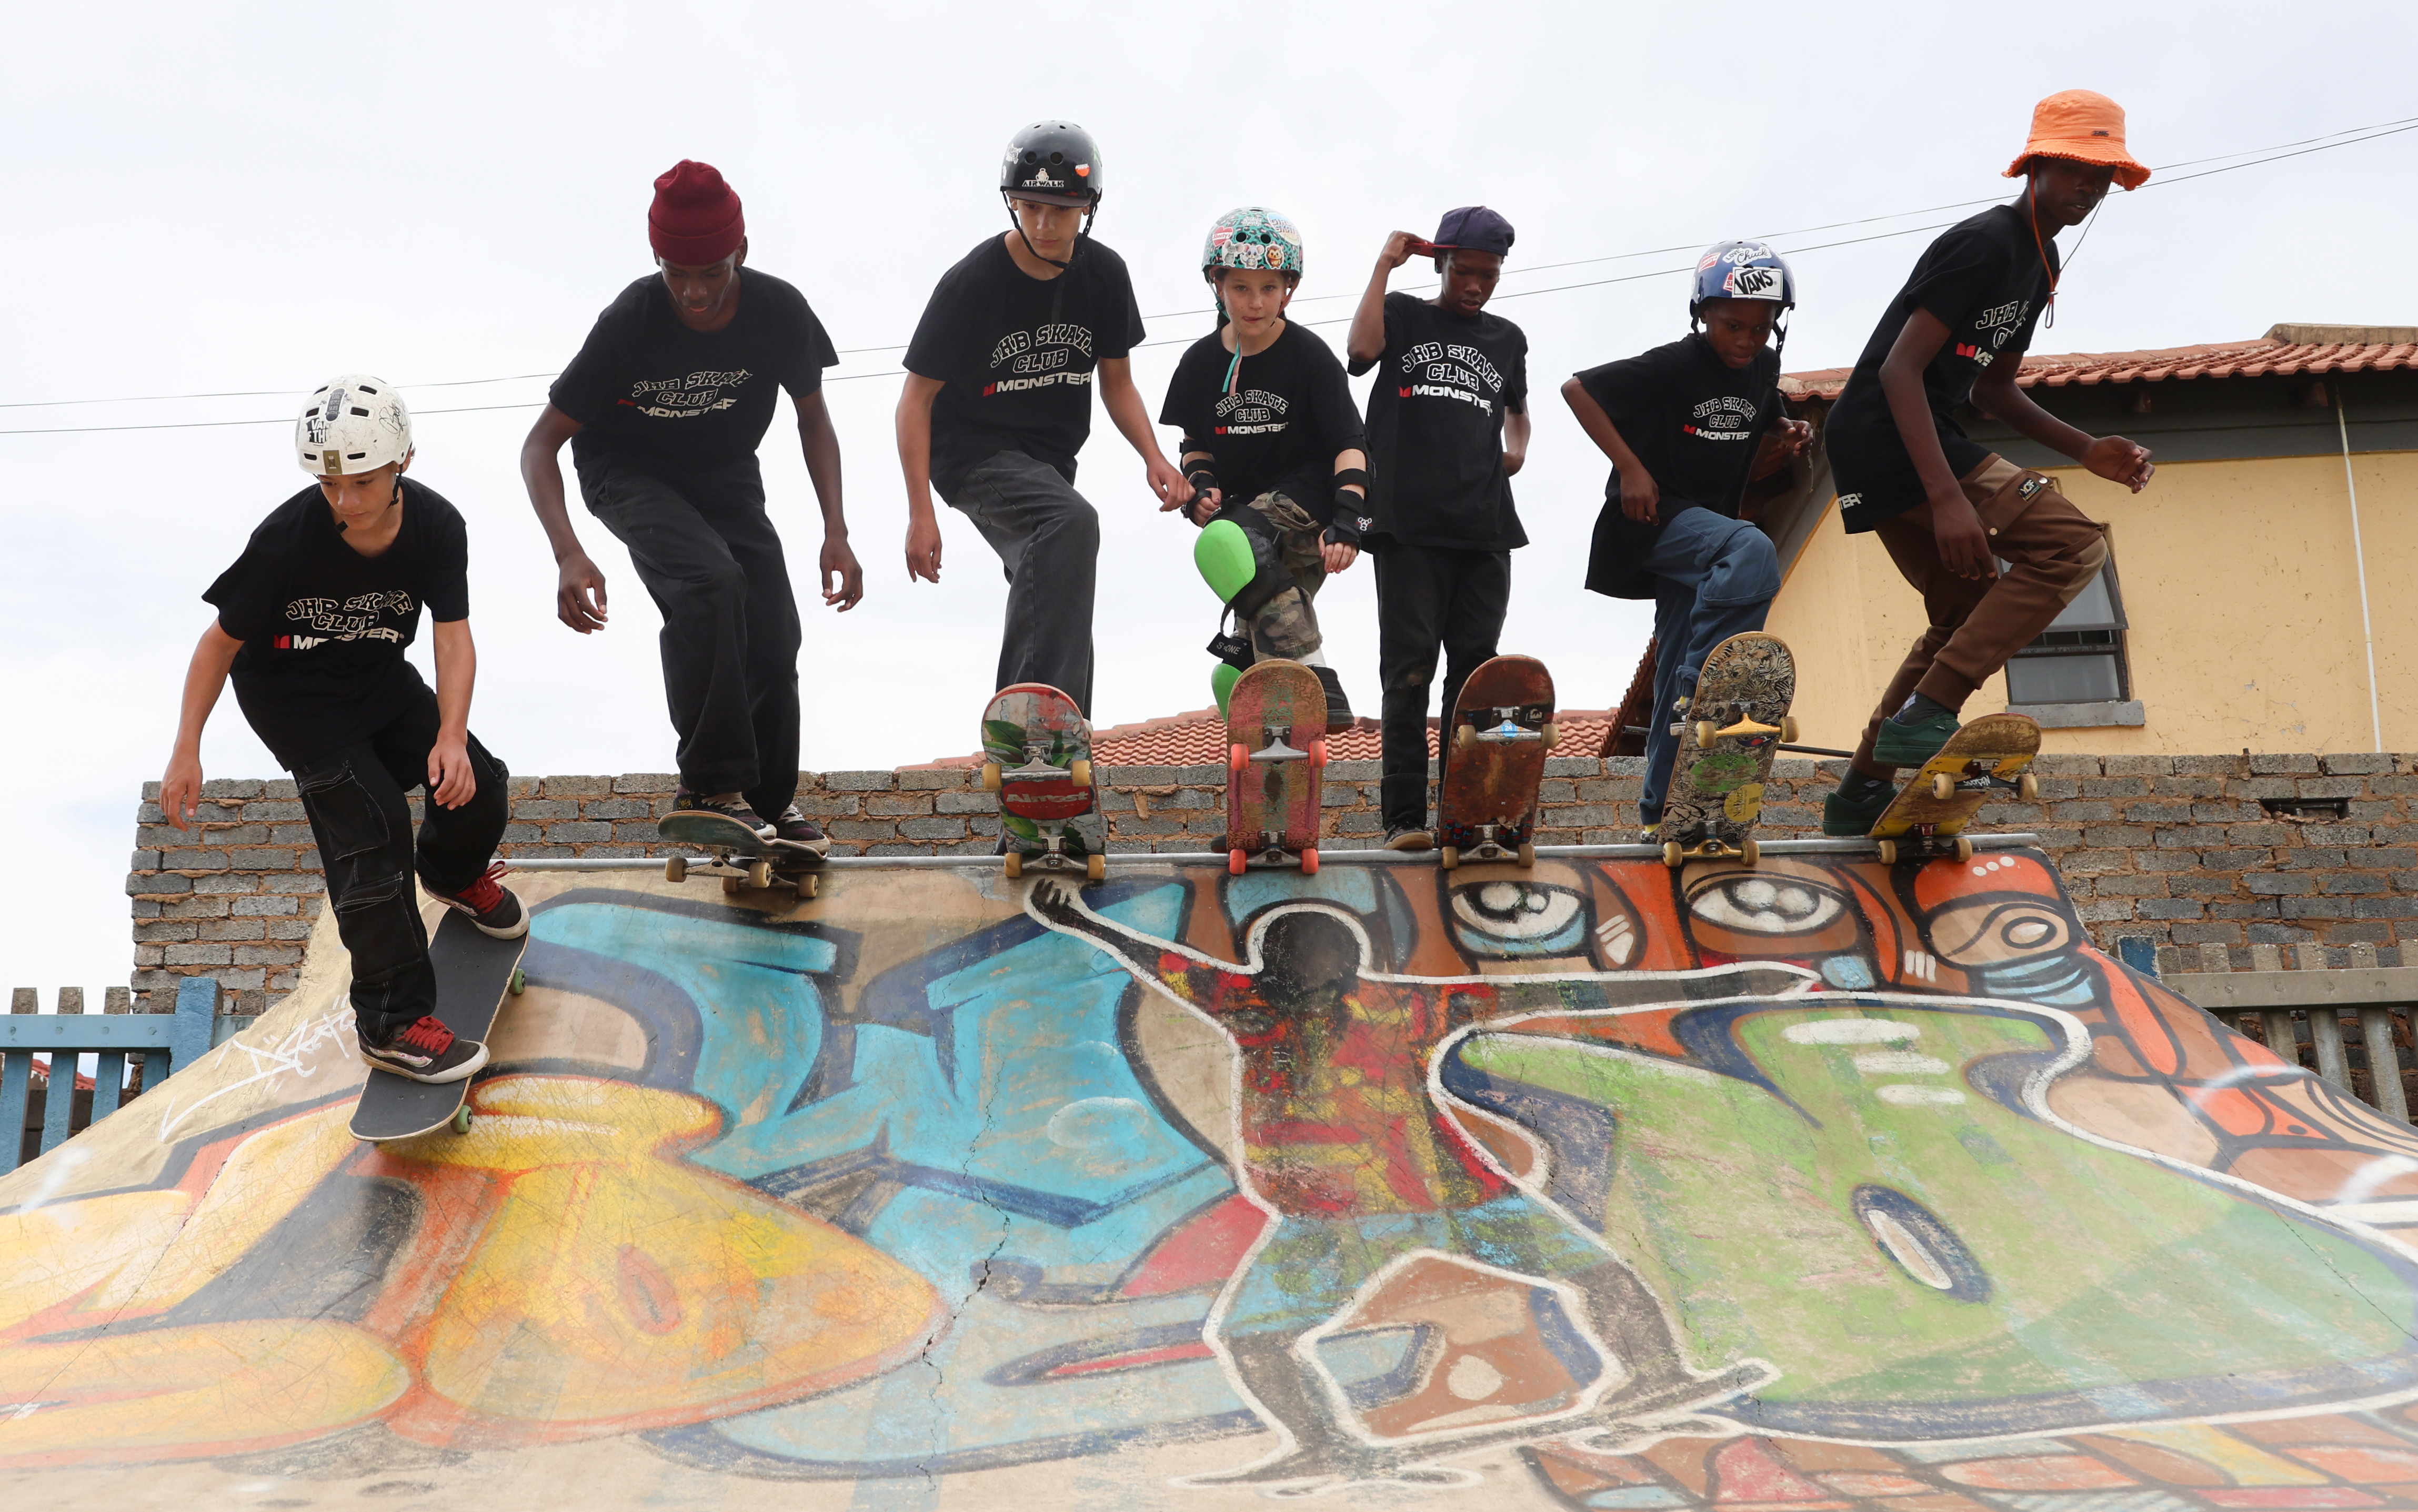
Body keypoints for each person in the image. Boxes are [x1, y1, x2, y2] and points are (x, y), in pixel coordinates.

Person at [1025, 877, 1777, 1490]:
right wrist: (1088, 923)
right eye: (1291, 963)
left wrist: (1723, 981)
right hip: (1388, 1207)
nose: (1301, 979)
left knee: (1591, 1274)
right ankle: (1648, 1372)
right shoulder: (1292, 1003)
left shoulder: (1281, 1004)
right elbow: (1156, 962)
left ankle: (1653, 1373)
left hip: (1400, 1204)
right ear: (1280, 967)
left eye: (1308, 963)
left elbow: (1556, 994)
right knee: (1254, 1337)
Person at [160, 377, 520, 1082]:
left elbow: (452, 636)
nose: (346, 502)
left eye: (362, 482)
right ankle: (390, 1021)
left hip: (379, 681)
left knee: (478, 785)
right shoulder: (287, 539)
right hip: (293, 700)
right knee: (373, 826)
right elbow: (217, 646)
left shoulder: (438, 529)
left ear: (402, 464)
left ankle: (452, 873)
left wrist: (451, 735)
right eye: (330, 485)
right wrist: (186, 748)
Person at [1820, 90, 2155, 835]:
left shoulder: (2039, 262)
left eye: (2102, 175)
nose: (2089, 186)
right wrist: (1947, 499)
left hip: (1900, 439)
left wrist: (2084, 448)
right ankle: (1930, 711)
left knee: (1963, 610)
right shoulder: (1984, 243)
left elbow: (1993, 386)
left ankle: (1859, 794)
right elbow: (1899, 371)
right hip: (1889, 431)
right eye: (2075, 168)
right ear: (2034, 163)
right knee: (2071, 545)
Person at [521, 159, 860, 849]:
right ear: (657, 258)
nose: (694, 292)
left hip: (726, 475)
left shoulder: (779, 312)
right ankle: (707, 785)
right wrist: (568, 552)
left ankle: (766, 804)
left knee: (774, 632)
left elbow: (813, 419)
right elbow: (540, 446)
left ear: (741, 251)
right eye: (677, 273)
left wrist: (835, 529)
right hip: (628, 472)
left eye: (711, 273)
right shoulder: (628, 323)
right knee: (710, 581)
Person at [897, 120, 1184, 716]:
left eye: (1061, 210)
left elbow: (1118, 383)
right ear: (1013, 203)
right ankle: (1028, 721)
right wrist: (920, 513)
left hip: (1049, 464)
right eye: (1029, 208)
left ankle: (1063, 742)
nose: (1044, 226)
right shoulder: (972, 283)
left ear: (1087, 208)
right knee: (1072, 524)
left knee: (1061, 593)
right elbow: (913, 402)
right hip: (969, 453)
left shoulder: (1104, 276)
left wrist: (1153, 456)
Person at [1563, 241, 1812, 831]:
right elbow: (1579, 391)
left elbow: (1762, 403)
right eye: (1732, 326)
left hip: (1703, 540)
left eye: (1759, 328)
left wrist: (1784, 425)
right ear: (1702, 313)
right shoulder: (1672, 364)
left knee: (1677, 656)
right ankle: (1701, 692)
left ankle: (1658, 814)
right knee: (1749, 547)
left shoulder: (1761, 366)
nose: (1745, 340)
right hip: (1652, 524)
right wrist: (1629, 468)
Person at [1345, 208, 1530, 850]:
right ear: (1440, 264)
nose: (1476, 285)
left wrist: (1517, 447)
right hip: (1407, 525)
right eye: (1464, 271)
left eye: (1489, 274)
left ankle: (1466, 811)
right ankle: (1403, 819)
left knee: (1475, 673)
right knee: (1408, 671)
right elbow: (1360, 353)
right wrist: (1381, 266)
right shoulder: (1403, 313)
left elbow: (1517, 409)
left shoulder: (1507, 338)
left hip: (1484, 527)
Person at [1160, 207, 1366, 726]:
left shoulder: (1309, 358)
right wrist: (1201, 489)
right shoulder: (1199, 365)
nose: (1255, 303)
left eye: (1268, 289)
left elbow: (1349, 443)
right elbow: (1195, 445)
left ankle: (1321, 681)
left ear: (1287, 291)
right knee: (1251, 662)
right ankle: (1278, 747)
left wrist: (1349, 521)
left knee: (1234, 537)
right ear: (1217, 285)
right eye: (1241, 288)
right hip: (1247, 526)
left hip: (1308, 507)